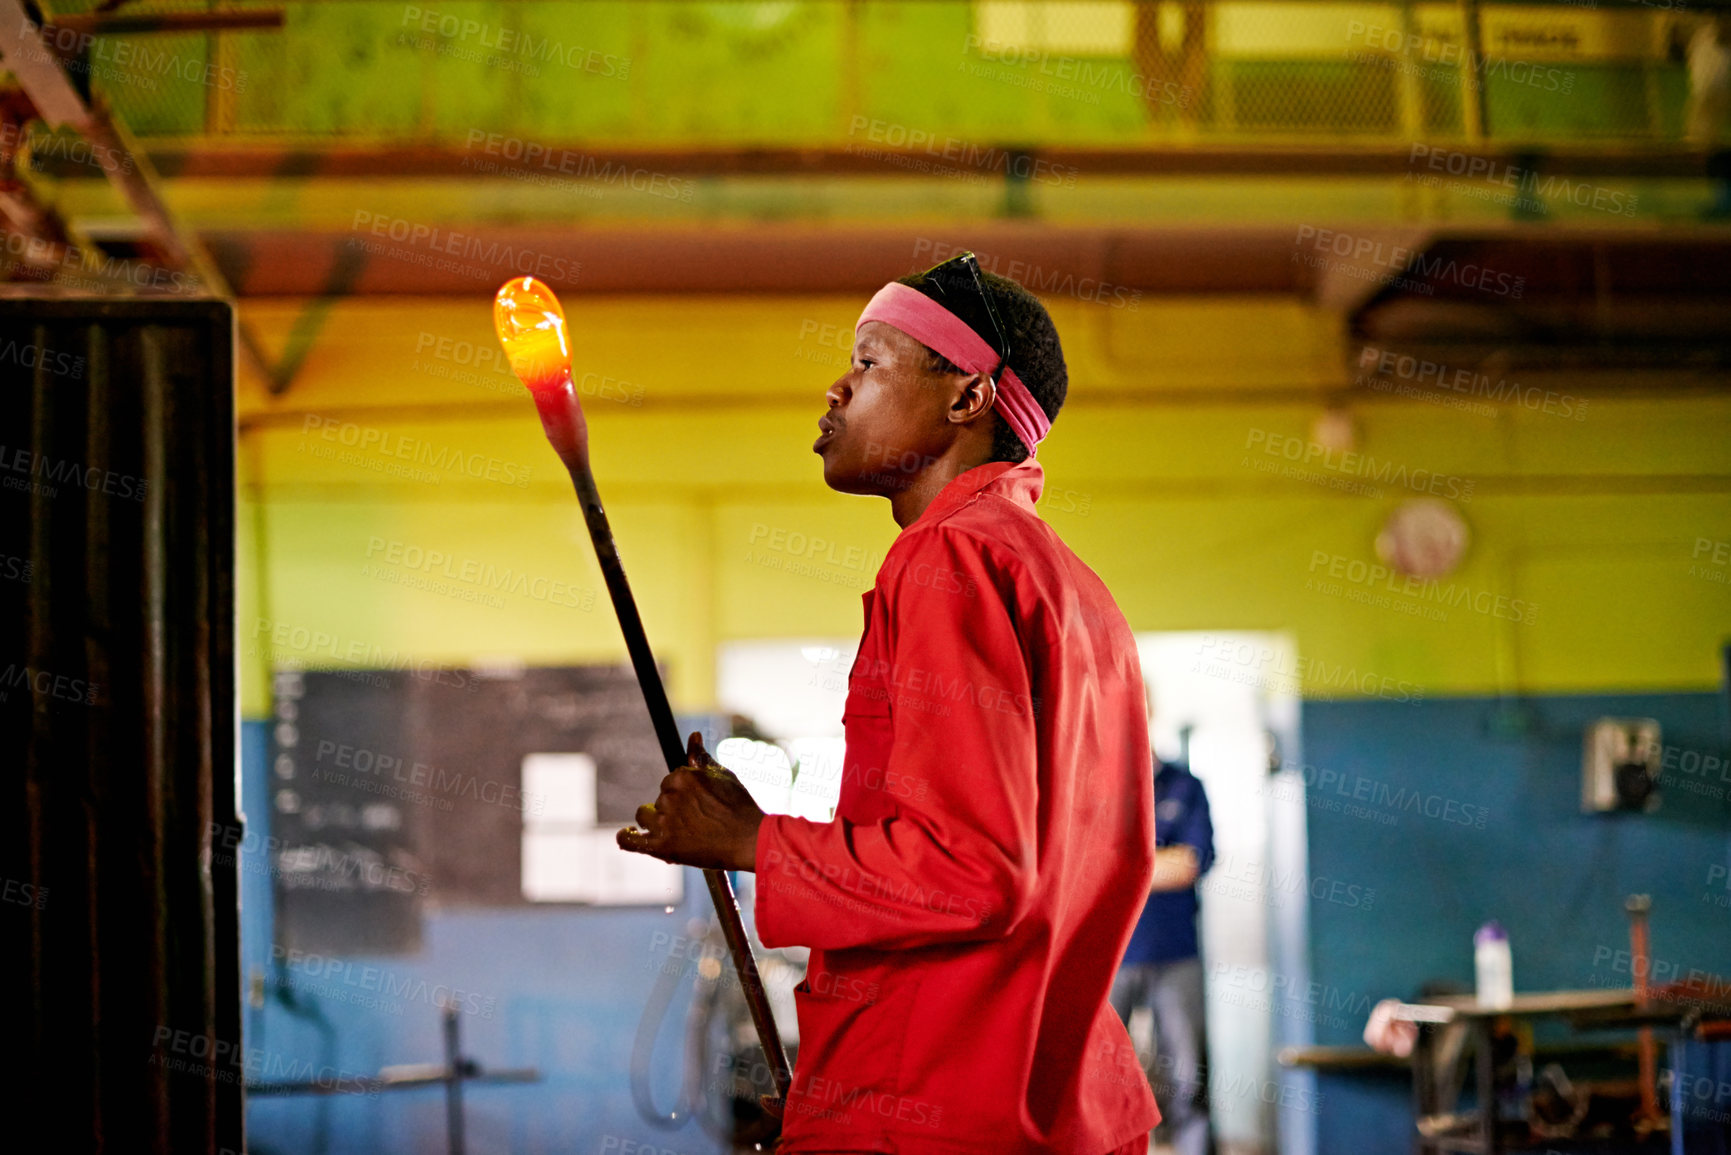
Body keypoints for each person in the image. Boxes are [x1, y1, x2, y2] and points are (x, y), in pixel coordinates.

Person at [617, 251, 1161, 1154]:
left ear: (967, 399)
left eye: (870, 361)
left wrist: (752, 841)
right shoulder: (1069, 585)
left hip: (945, 1107)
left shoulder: (948, 559)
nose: (836, 387)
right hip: (1044, 1100)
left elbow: (973, 869)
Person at [1112, 730, 1214, 1155]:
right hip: (1109, 958)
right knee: (1097, 1076)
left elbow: (1191, 863)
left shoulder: (1185, 785)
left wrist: (1120, 866)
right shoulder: (1092, 782)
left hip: (1177, 955)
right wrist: (1158, 862)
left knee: (1190, 1076)